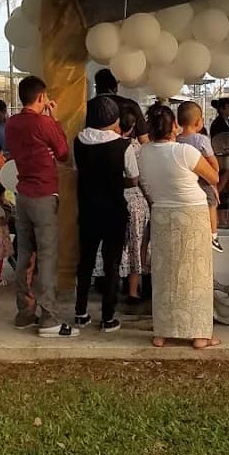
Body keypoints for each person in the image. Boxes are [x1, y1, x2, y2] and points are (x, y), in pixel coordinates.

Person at [138, 102, 220, 349]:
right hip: (192, 213)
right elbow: (214, 177)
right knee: (196, 275)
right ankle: (200, 334)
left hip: (162, 212)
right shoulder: (185, 152)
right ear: (174, 126)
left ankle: (162, 332)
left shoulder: (143, 152)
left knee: (165, 275)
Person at [3, 74, 77, 338]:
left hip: (22, 193)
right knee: (47, 256)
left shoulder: (12, 124)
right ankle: (49, 319)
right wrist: (55, 119)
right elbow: (63, 153)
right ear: (42, 97)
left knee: (25, 254)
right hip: (44, 194)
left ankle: (24, 312)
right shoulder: (44, 123)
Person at [73, 95, 138, 332]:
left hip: (88, 209)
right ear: (114, 119)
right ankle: (108, 318)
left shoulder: (78, 142)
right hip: (113, 211)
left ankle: (80, 312)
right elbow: (134, 178)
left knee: (86, 262)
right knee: (112, 264)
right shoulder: (123, 145)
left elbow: (77, 171)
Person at [176, 100, 223, 251]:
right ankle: (213, 235)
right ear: (198, 122)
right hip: (202, 180)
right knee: (211, 203)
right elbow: (213, 164)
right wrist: (214, 181)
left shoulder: (176, 139)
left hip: (184, 181)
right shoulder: (201, 139)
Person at [119, 105, 150, 304]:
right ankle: (132, 290)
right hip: (136, 201)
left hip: (112, 198)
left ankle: (114, 285)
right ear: (132, 126)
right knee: (137, 246)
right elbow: (139, 178)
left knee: (116, 246)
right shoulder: (136, 147)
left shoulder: (104, 145)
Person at [91, 68, 149, 143]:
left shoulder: (86, 107)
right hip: (126, 152)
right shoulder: (131, 105)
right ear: (115, 87)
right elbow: (143, 139)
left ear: (97, 88)